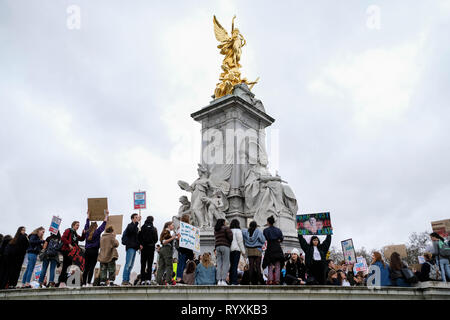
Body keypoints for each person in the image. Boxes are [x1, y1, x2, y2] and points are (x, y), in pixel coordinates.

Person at [82, 210, 108, 286]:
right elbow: (104, 225)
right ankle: (89, 283)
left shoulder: (87, 231)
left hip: (87, 251)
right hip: (94, 251)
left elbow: (86, 224)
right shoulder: (97, 232)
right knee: (91, 268)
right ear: (96, 227)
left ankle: (83, 283)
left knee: (86, 268)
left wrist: (88, 215)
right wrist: (106, 215)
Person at [58, 221, 86, 287]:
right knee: (65, 265)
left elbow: (81, 239)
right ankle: (62, 282)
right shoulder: (68, 230)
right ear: (73, 225)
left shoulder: (75, 234)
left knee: (68, 266)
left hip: (71, 253)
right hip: (66, 250)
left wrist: (83, 234)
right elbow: (63, 238)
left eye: (78, 225)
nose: (78, 226)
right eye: (77, 225)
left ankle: (64, 281)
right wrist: (69, 244)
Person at [262, 216, 285, 285]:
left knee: (270, 265)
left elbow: (264, 239)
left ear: (268, 222)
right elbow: (281, 239)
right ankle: (277, 280)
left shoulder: (265, 230)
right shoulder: (278, 230)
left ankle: (270, 280)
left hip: (270, 247)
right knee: (278, 264)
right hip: (277, 247)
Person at [242, 221, 266, 285]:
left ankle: (249, 281)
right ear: (256, 226)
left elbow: (243, 237)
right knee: (258, 266)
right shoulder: (258, 231)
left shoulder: (246, 232)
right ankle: (260, 281)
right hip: (257, 250)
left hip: (249, 250)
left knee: (251, 266)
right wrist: (259, 243)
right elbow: (263, 240)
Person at [156, 221, 180, 285]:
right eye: (172, 225)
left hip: (162, 250)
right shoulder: (166, 232)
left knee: (162, 266)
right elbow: (164, 241)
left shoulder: (165, 232)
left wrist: (175, 237)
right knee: (169, 265)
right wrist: (173, 237)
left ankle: (158, 280)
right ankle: (169, 280)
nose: (173, 226)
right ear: (168, 226)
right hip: (167, 249)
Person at [121, 213, 141, 286]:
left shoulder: (136, 227)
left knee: (131, 265)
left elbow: (136, 238)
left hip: (134, 248)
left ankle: (127, 280)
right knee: (128, 264)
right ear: (132, 219)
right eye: (136, 217)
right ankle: (124, 280)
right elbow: (131, 230)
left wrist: (139, 246)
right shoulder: (130, 225)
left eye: (137, 217)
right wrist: (137, 223)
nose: (137, 218)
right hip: (130, 247)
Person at [138, 216, 158, 285]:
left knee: (143, 264)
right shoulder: (154, 229)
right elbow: (156, 239)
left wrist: (141, 244)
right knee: (149, 264)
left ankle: (143, 280)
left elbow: (139, 237)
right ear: (152, 220)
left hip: (143, 248)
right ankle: (149, 280)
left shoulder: (142, 227)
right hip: (151, 248)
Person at [175, 214, 194, 283]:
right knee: (188, 263)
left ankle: (180, 277)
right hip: (188, 247)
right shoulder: (190, 228)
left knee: (182, 263)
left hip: (183, 247)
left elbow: (177, 238)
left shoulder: (180, 228)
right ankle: (186, 278)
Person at [214, 218, 233, 285]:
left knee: (219, 264)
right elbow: (230, 237)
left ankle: (219, 280)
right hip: (225, 246)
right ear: (223, 222)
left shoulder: (216, 229)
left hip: (217, 247)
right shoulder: (226, 228)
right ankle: (223, 280)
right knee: (225, 263)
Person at [229, 219, 246, 285]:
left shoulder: (229, 231)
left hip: (230, 250)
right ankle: (234, 281)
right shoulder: (238, 231)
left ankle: (231, 280)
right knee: (235, 266)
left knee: (232, 265)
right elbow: (240, 242)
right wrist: (243, 251)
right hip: (236, 250)